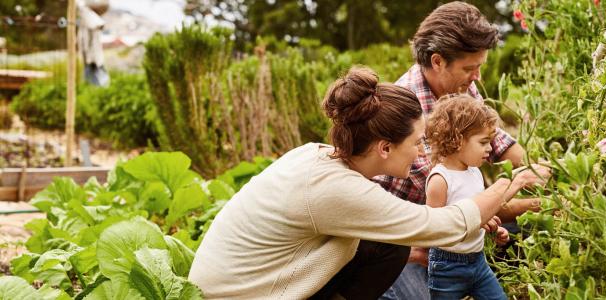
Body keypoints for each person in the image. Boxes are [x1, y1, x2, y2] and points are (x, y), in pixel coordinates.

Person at [188, 67, 550, 299]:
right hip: (235, 295)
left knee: (388, 246)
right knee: (389, 245)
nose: (423, 152)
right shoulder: (337, 190)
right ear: (384, 147)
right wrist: (512, 183)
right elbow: (443, 226)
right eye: (416, 142)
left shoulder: (320, 156)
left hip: (258, 276)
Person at [379, 3, 541, 299]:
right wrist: (539, 204)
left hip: (455, 228)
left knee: (525, 235)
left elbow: (499, 142)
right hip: (403, 242)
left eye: (479, 67)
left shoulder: (457, 88)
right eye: (470, 68)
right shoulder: (408, 114)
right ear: (438, 61)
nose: (477, 76)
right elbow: (463, 209)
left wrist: (543, 168)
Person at [425, 94, 517, 299]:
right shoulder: (440, 180)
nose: (490, 149)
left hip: (478, 261)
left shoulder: (474, 171)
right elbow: (434, 230)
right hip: (447, 267)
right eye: (483, 142)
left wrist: (491, 227)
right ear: (458, 140)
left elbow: (475, 212)